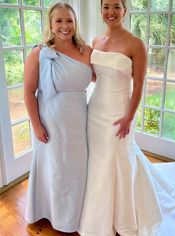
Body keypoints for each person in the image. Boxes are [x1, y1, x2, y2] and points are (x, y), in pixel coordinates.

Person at [79, 0, 175, 235]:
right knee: (98, 159)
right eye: (106, 6)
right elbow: (96, 77)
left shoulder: (135, 44)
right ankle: (98, 214)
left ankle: (123, 216)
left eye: (116, 6)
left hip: (120, 111)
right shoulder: (96, 41)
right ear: (100, 11)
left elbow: (138, 85)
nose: (111, 12)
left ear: (125, 10)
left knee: (119, 157)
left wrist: (129, 117)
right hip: (96, 108)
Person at [24, 3, 92, 233]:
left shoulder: (87, 51)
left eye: (69, 21)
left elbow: (102, 77)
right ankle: (49, 212)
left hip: (79, 121)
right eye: (59, 21)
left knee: (75, 169)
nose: (65, 26)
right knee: (54, 168)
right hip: (50, 121)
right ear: (51, 25)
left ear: (75, 23)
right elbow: (28, 91)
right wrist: (36, 125)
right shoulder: (39, 53)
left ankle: (74, 215)